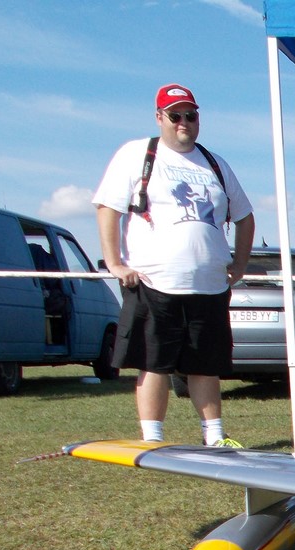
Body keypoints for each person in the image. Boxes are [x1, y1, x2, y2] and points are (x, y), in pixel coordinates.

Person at [94, 83, 255, 446]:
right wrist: (116, 263)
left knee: (205, 365)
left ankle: (215, 437)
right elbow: (107, 208)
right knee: (154, 363)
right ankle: (152, 439)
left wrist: (240, 264)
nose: (184, 122)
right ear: (160, 118)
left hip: (210, 286)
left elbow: (245, 217)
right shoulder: (137, 154)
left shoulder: (215, 163)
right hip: (154, 282)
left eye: (191, 115)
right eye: (175, 115)